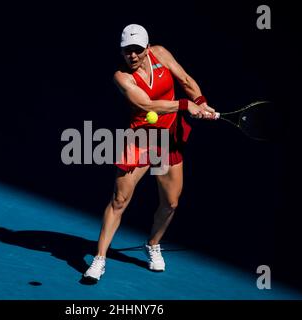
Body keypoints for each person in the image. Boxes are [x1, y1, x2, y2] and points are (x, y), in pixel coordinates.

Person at [83, 24, 217, 282]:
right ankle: (99, 258)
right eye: (126, 51)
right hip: (141, 138)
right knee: (119, 200)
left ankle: (152, 243)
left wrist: (201, 103)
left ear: (147, 48)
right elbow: (146, 104)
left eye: (137, 50)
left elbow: (186, 81)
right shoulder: (122, 77)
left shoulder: (161, 54)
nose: (132, 56)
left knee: (171, 203)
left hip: (168, 138)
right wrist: (186, 105)